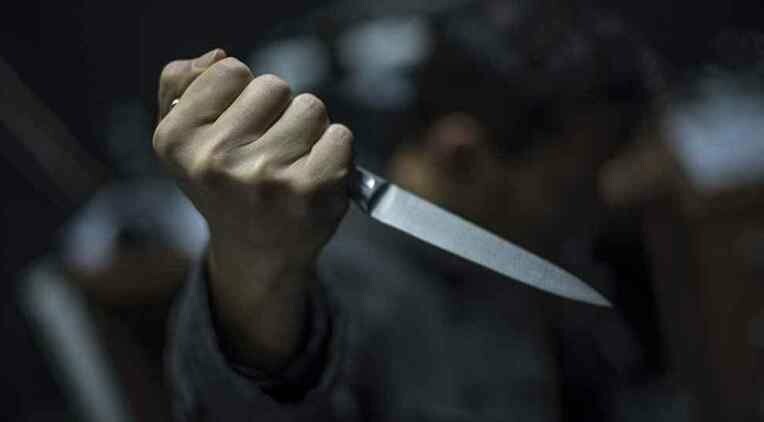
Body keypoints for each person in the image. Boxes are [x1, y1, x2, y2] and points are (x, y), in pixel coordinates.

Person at [159, 5, 661, 421]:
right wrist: (253, 270)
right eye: (574, 185)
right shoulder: (331, 279)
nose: (602, 199)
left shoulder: (538, 246)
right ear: (463, 156)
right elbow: (239, 398)